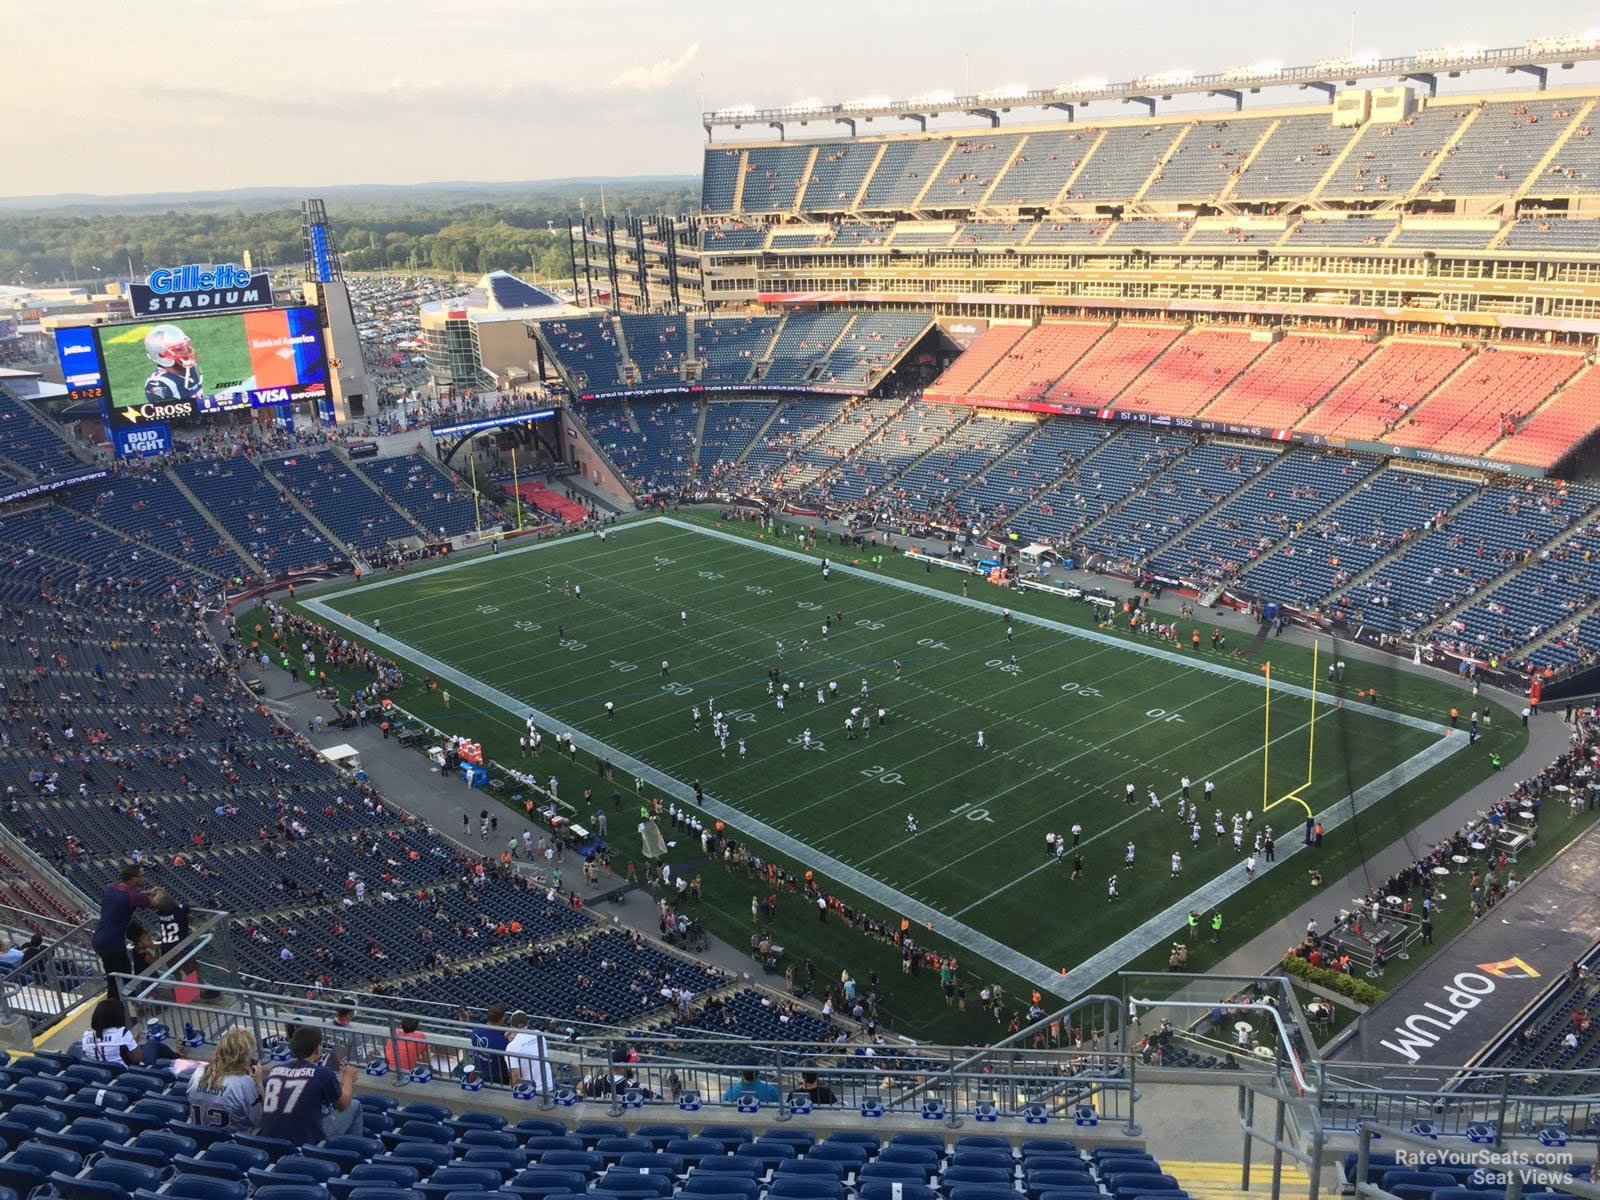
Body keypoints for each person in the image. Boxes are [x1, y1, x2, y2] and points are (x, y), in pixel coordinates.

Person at [260, 1025, 360, 1141]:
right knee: (355, 1105)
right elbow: (343, 1105)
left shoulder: (275, 1070)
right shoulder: (322, 1074)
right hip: (305, 1142)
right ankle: (355, 1152)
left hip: (269, 1140)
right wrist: (348, 1079)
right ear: (317, 1049)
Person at [93, 865, 173, 997]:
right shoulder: (132, 895)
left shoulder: (111, 888)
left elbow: (135, 895)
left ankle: (121, 1008)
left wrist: (148, 892)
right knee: (122, 981)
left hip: (99, 939)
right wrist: (159, 891)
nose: (144, 878)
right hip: (112, 943)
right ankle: (124, 1010)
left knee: (115, 979)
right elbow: (156, 903)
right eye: (142, 876)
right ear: (133, 878)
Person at [187, 1026, 264, 1132]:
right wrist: (259, 1084)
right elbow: (260, 1121)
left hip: (198, 1138)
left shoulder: (199, 1072)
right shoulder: (244, 1083)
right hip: (231, 1145)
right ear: (242, 1057)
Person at [81, 997, 146, 1066]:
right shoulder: (122, 1033)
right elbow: (137, 1058)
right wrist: (135, 1039)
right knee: (152, 1043)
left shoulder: (86, 1034)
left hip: (98, 1073)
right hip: (122, 1073)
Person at [506, 1011, 553, 1092]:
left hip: (531, 1090)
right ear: (527, 1023)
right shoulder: (538, 1034)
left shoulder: (511, 1047)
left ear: (512, 1027)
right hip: (549, 1084)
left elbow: (515, 1077)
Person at [471, 1002, 511, 1085]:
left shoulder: (475, 1031)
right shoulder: (503, 1041)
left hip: (479, 1072)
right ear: (502, 1018)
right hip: (497, 1076)